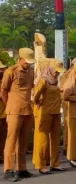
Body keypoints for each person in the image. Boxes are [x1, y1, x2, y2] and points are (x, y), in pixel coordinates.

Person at [2, 48, 36, 181]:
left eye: (30, 62)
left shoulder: (31, 72)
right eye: (27, 61)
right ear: (20, 59)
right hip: (14, 111)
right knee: (11, 140)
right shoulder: (11, 72)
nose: (29, 64)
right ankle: (8, 170)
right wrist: (10, 106)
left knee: (23, 141)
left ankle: (22, 169)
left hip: (27, 110)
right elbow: (3, 92)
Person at [33, 59, 67, 174]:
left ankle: (55, 164)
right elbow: (35, 96)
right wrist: (39, 102)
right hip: (46, 113)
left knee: (55, 139)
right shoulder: (44, 81)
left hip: (56, 112)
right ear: (51, 69)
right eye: (56, 71)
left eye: (59, 71)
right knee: (43, 140)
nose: (57, 73)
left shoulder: (54, 81)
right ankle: (41, 165)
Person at [60, 57, 76, 155]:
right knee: (68, 125)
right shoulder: (66, 76)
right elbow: (64, 91)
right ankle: (67, 146)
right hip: (68, 103)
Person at [0, 61, 8, 164]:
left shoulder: (4, 81)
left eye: (2, 69)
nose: (2, 70)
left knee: (3, 135)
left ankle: (1, 154)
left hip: (4, 112)